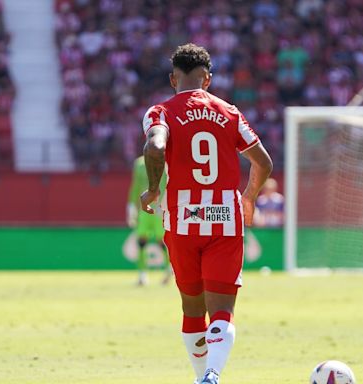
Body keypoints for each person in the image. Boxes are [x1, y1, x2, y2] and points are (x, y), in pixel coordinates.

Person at [140, 44, 272, 384]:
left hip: (183, 220)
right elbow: (264, 162)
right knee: (222, 309)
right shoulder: (230, 113)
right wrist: (250, 196)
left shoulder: (161, 112)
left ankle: (202, 376)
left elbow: (154, 146)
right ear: (208, 79)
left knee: (192, 309)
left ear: (173, 79)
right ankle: (212, 374)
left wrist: (154, 187)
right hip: (224, 220)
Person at [127, 155, 172, 286]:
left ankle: (169, 268)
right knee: (141, 240)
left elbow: (167, 184)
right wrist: (131, 206)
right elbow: (136, 185)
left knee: (162, 241)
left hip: (159, 209)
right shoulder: (139, 164)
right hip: (143, 209)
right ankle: (142, 274)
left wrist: (165, 205)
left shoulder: (165, 163)